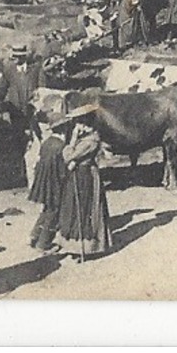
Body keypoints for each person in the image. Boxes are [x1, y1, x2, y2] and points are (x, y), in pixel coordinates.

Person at [57, 104, 113, 260]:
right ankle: (74, 246)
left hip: (85, 176)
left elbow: (68, 155)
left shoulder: (91, 140)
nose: (77, 126)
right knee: (75, 208)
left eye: (79, 123)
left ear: (87, 123)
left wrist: (73, 139)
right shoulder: (87, 138)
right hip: (80, 173)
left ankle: (88, 248)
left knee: (85, 208)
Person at [27, 112, 67, 251]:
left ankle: (35, 235)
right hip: (54, 182)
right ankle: (43, 244)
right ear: (63, 128)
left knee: (46, 209)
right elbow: (62, 169)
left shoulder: (47, 142)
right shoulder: (61, 145)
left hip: (44, 182)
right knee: (54, 211)